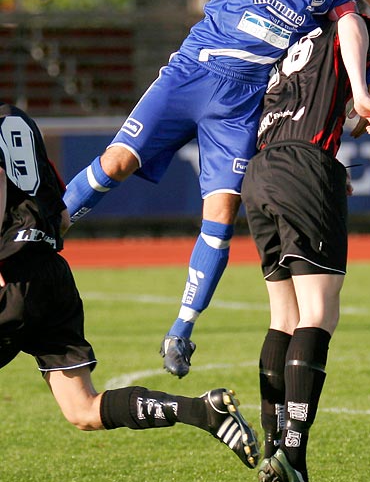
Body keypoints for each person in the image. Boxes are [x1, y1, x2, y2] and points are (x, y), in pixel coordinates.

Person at [63, 0, 370, 379]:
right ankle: (42, 233)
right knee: (113, 162)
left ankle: (181, 331)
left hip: (239, 107)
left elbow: (357, 27)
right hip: (188, 78)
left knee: (222, 213)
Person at [0, 102, 259, 470]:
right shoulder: (18, 120)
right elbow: (59, 213)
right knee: (82, 409)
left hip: (10, 274)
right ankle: (203, 412)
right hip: (51, 274)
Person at [241, 0, 370, 482]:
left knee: (283, 315)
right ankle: (294, 457)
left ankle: (272, 448)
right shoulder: (351, 26)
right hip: (306, 166)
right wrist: (365, 99)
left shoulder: (285, 45)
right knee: (319, 312)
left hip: (260, 171)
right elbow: (365, 113)